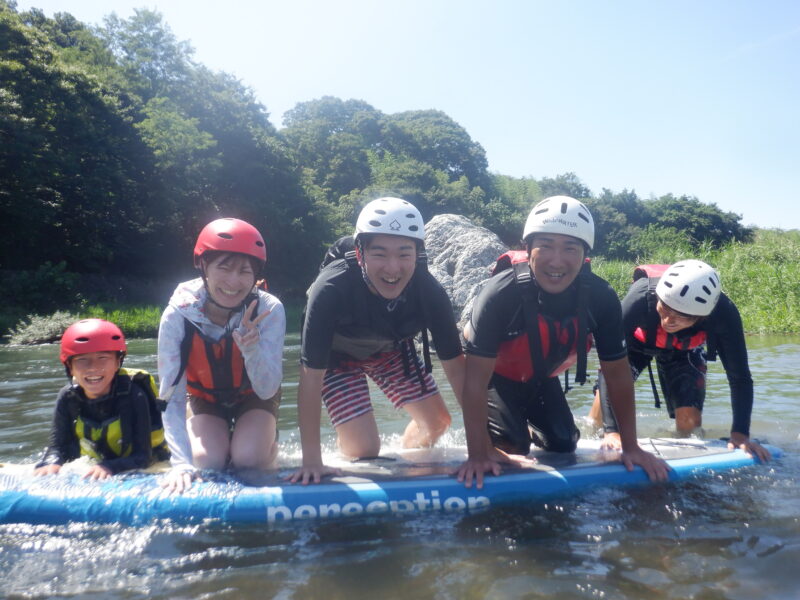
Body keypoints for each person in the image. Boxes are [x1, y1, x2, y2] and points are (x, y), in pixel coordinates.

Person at [456, 196, 671, 488]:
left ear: (584, 255)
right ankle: (506, 433)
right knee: (515, 444)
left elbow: (618, 376)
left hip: (541, 380)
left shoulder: (600, 297)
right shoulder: (500, 294)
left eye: (570, 248)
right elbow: (474, 382)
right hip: (497, 380)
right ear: (528, 248)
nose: (556, 261)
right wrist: (477, 453)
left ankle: (518, 424)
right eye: (545, 245)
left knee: (564, 443)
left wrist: (631, 447)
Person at [290, 197, 466, 484]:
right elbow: (310, 378)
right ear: (360, 254)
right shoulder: (330, 288)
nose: (393, 268)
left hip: (391, 349)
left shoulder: (428, 290)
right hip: (337, 357)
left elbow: (457, 368)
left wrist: (486, 447)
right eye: (380, 254)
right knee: (365, 449)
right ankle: (348, 443)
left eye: (404, 254)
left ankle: (407, 456)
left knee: (437, 423)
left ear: (418, 254)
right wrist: (312, 462)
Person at [588, 260, 771, 461]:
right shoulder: (639, 297)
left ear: (702, 317)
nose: (667, 321)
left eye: (680, 316)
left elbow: (740, 378)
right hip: (637, 343)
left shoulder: (724, 314)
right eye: (664, 309)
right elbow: (609, 368)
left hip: (685, 349)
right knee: (602, 408)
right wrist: (613, 432)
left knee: (689, 421)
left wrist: (740, 434)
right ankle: (598, 433)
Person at [157, 217, 285, 493]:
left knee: (248, 460)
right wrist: (181, 464)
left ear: (256, 275)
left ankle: (268, 449)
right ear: (203, 267)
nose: (233, 281)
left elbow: (267, 388)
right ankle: (221, 442)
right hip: (204, 397)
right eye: (223, 268)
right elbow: (171, 395)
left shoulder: (269, 310)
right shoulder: (177, 315)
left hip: (254, 396)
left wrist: (251, 349)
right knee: (206, 462)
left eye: (244, 271)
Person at [35, 319, 168, 480]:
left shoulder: (134, 394)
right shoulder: (68, 397)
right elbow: (57, 447)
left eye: (103, 358)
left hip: (151, 459)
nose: (93, 367)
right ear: (70, 367)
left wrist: (110, 466)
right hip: (97, 460)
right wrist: (51, 462)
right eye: (82, 360)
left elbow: (143, 457)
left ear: (117, 363)